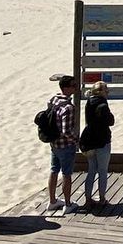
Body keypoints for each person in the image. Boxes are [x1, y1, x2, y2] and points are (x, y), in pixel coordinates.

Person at [45, 75, 79, 212]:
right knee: (66, 174)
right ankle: (68, 204)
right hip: (65, 145)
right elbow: (66, 130)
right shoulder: (69, 107)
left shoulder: (53, 100)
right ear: (66, 88)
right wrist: (76, 140)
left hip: (54, 143)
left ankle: (52, 201)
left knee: (54, 171)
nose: (75, 88)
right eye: (73, 85)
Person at [79, 82, 114, 208]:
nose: (108, 92)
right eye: (106, 90)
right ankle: (102, 198)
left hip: (89, 140)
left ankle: (88, 199)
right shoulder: (103, 104)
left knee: (91, 170)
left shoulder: (89, 102)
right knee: (103, 171)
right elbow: (110, 121)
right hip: (102, 141)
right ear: (101, 92)